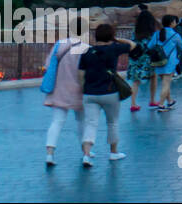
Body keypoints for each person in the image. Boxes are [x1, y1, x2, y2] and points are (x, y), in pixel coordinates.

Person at [77, 22, 142, 165]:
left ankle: (86, 154)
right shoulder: (114, 48)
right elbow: (134, 46)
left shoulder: (87, 52)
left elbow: (80, 74)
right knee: (112, 123)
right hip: (110, 91)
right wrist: (117, 40)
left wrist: (84, 89)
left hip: (90, 92)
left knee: (90, 123)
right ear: (111, 36)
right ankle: (113, 152)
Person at [41, 16, 88, 165]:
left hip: (59, 89)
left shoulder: (59, 45)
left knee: (57, 122)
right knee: (82, 122)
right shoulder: (86, 48)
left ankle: (50, 154)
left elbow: (48, 66)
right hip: (79, 90)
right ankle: (85, 151)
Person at [145, 15, 182, 110]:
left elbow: (149, 46)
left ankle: (170, 101)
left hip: (158, 61)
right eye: (174, 21)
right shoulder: (175, 35)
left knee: (165, 83)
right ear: (172, 23)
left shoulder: (157, 34)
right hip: (169, 62)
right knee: (166, 84)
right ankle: (161, 104)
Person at [127, 5, 158, 111]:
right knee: (154, 77)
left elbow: (132, 43)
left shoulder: (135, 32)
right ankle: (152, 100)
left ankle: (133, 103)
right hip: (148, 59)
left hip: (136, 58)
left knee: (136, 81)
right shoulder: (152, 33)